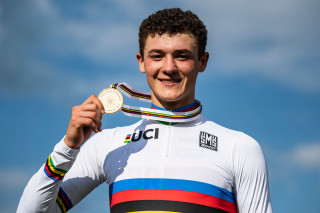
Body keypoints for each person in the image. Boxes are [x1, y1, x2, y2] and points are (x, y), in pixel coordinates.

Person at [17, 8, 272, 213]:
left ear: (202, 62)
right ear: (141, 62)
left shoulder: (239, 147)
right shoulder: (108, 143)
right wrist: (67, 148)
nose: (169, 67)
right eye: (157, 56)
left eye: (181, 56)